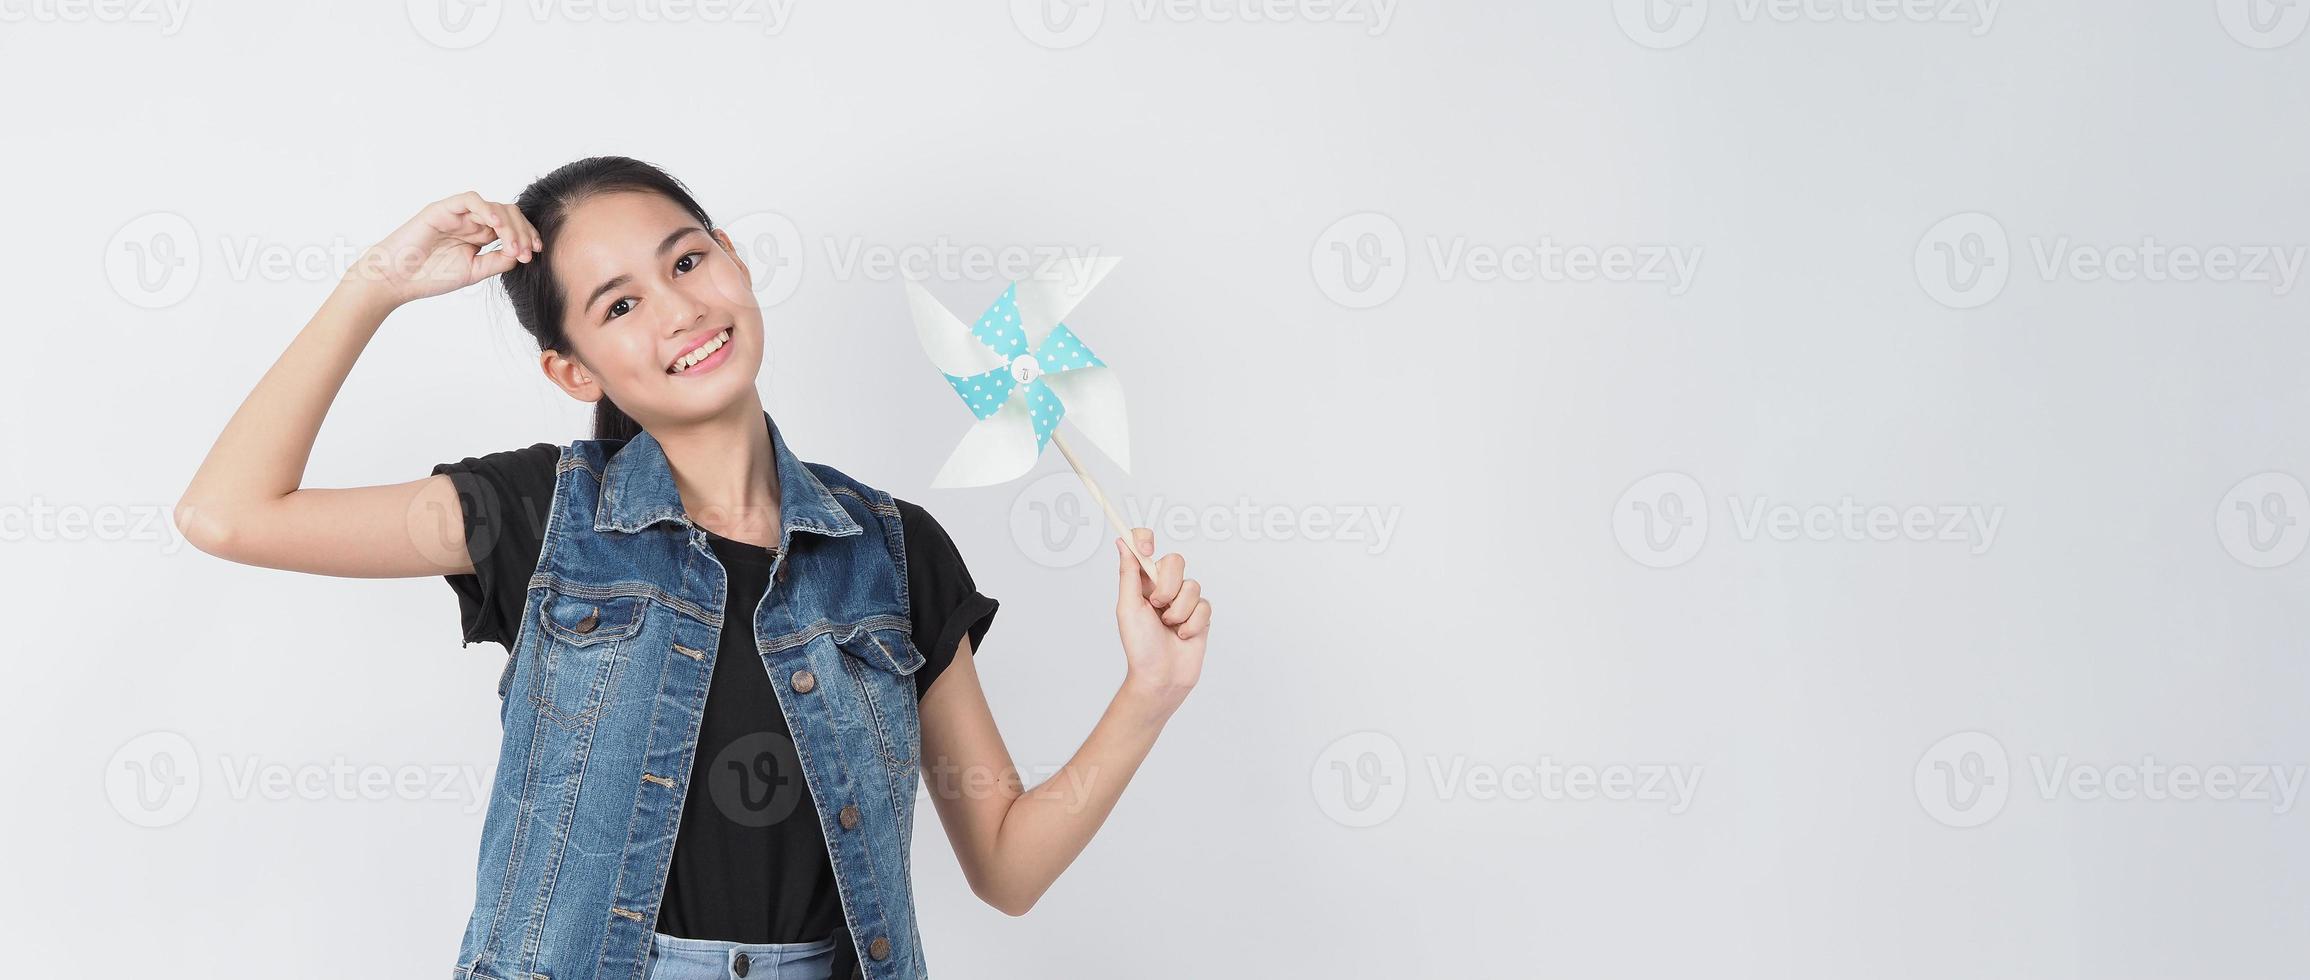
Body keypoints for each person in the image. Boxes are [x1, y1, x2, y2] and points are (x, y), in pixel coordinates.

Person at [174, 156, 1214, 980]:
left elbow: (1007, 865)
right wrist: (378, 286)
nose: (678, 311)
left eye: (686, 261)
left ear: (734, 261)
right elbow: (226, 513)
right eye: (619, 305)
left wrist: (1150, 692)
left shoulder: (894, 551)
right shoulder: (541, 514)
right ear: (572, 367)